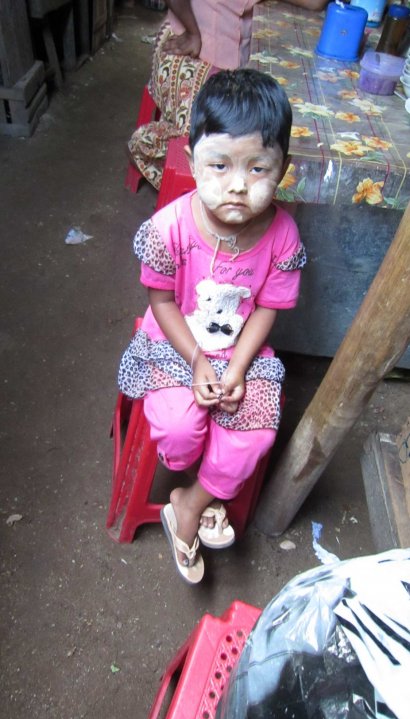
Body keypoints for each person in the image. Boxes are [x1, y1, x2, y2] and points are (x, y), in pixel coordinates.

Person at [119, 68, 306, 584]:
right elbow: (160, 299)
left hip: (240, 350)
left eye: (258, 168)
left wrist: (239, 368)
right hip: (174, 345)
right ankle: (200, 490)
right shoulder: (168, 228)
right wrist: (197, 360)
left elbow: (266, 307)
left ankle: (189, 502)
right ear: (191, 160)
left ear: (282, 169)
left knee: (252, 437)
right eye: (219, 165)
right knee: (181, 431)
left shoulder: (284, 236)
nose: (238, 185)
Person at [127, 0, 329, 190]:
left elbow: (316, 2)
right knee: (217, 140)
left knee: (267, 136)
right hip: (190, 46)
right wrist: (192, 32)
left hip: (236, 61)